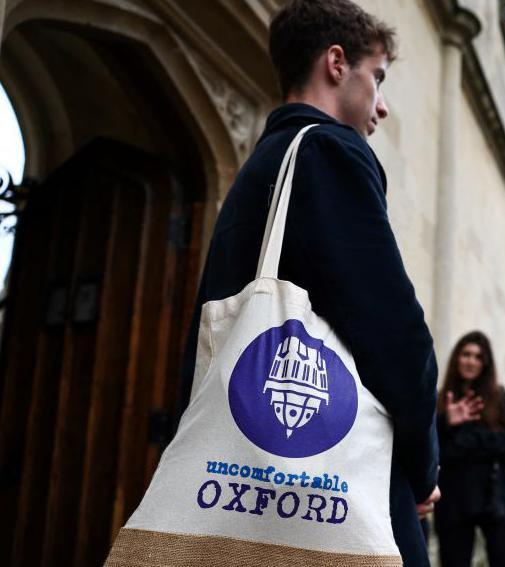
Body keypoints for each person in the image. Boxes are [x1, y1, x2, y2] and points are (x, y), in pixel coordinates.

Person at [172, 1, 440, 564]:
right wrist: (422, 467)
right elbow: (394, 333)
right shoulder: (329, 151)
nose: (383, 107)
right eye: (379, 78)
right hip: (338, 491)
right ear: (337, 63)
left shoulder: (260, 166)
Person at [434, 331, 505, 567]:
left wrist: (470, 438)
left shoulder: (498, 398)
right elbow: (434, 452)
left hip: (496, 496)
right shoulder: (441, 401)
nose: (471, 361)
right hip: (455, 500)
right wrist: (447, 423)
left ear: (485, 363)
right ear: (457, 358)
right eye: (466, 354)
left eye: (478, 357)